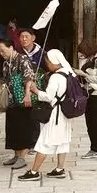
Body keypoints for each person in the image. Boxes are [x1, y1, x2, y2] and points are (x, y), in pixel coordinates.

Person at [18, 49, 76, 181]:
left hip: (55, 113)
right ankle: (60, 168)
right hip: (65, 113)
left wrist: (35, 90)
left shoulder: (56, 77)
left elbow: (48, 97)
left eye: (48, 61)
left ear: (54, 62)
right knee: (62, 141)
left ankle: (34, 172)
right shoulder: (69, 73)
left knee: (44, 141)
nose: (47, 64)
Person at [0, 38, 37, 170]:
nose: (2, 54)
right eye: (0, 52)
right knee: (13, 127)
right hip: (11, 99)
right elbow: (4, 78)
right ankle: (16, 154)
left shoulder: (22, 59)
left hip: (21, 97)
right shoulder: (6, 62)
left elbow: (29, 78)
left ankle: (22, 157)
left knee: (23, 127)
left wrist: (27, 95)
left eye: (3, 50)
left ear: (11, 47)